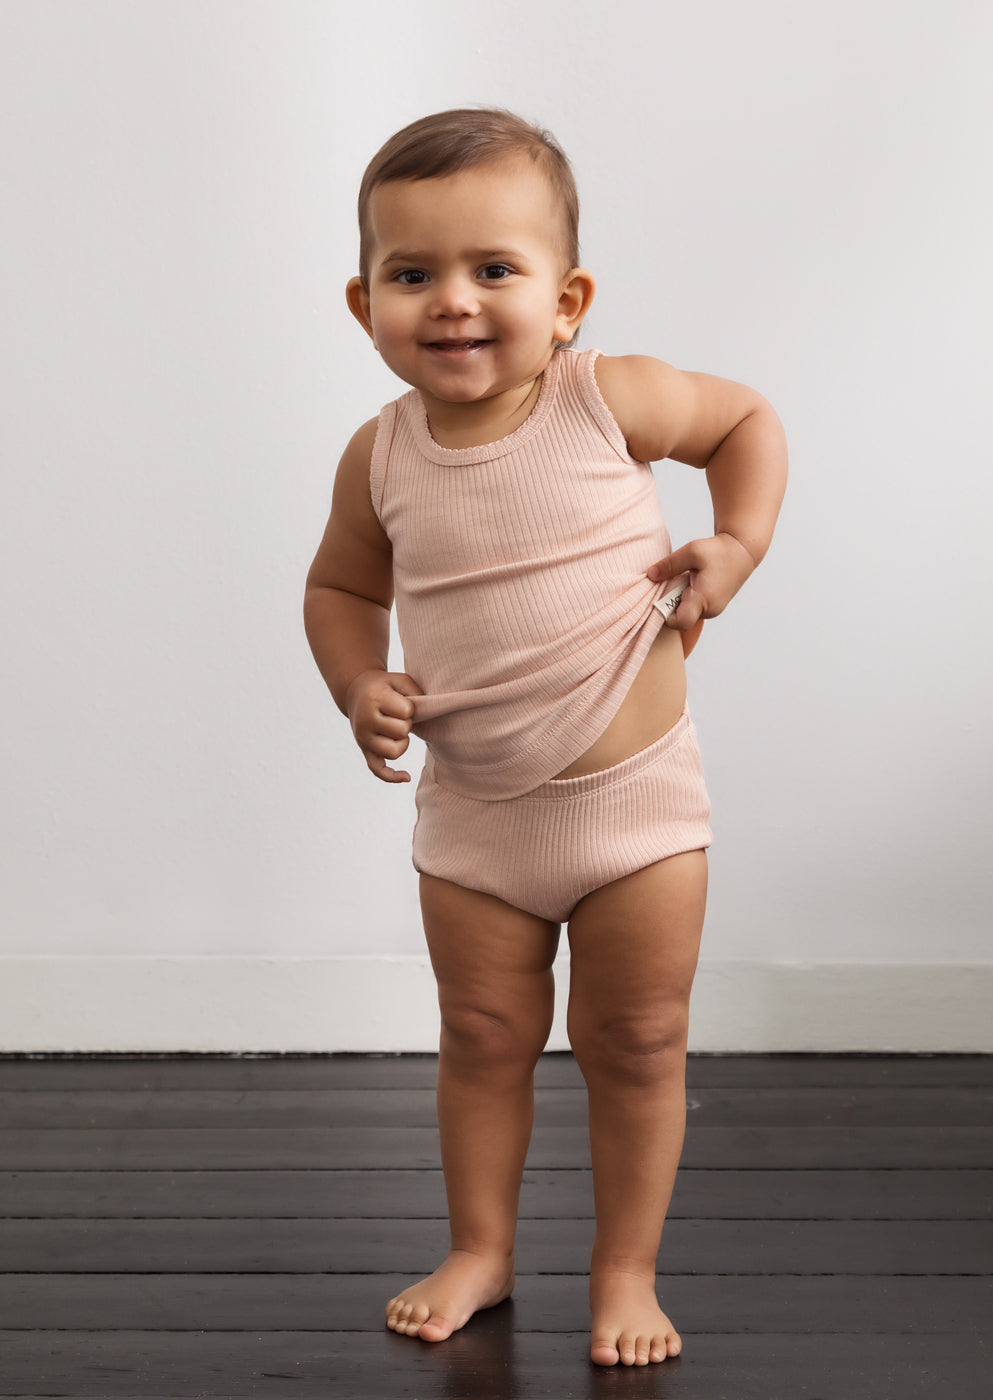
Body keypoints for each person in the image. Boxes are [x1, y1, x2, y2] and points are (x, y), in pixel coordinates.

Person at [304, 108, 787, 1368]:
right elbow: (341, 587)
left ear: (566, 301)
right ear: (365, 305)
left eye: (493, 269)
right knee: (480, 1035)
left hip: (635, 811)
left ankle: (625, 1268)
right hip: (477, 815)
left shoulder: (603, 398)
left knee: (636, 1041)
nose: (453, 301)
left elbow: (744, 422)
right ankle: (480, 1246)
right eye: (413, 274)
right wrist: (358, 679)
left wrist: (735, 544)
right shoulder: (379, 456)